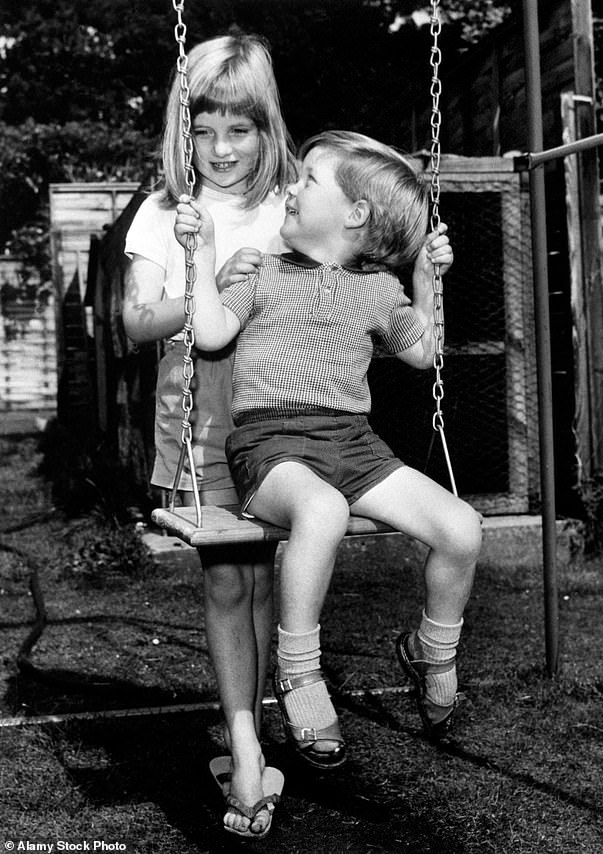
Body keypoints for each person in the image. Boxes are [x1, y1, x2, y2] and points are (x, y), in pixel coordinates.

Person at [174, 130, 482, 774]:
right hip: (271, 444)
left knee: (462, 527)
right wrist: (199, 257)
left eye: (308, 180)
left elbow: (424, 352)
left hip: (352, 443)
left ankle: (433, 649)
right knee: (322, 511)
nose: (290, 187)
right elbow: (208, 333)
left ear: (355, 214)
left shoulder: (376, 290)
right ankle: (298, 670)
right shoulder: (259, 270)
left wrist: (427, 281)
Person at [123, 32, 297, 839]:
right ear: (181, 131)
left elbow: (348, 268)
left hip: (284, 417)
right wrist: (202, 283)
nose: (222, 149)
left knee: (263, 582)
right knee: (230, 581)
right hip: (200, 419)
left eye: (240, 129)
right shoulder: (167, 211)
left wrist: (418, 269)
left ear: (266, 129)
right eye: (204, 130)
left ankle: (253, 725)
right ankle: (243, 743)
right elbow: (135, 320)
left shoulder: (291, 201)